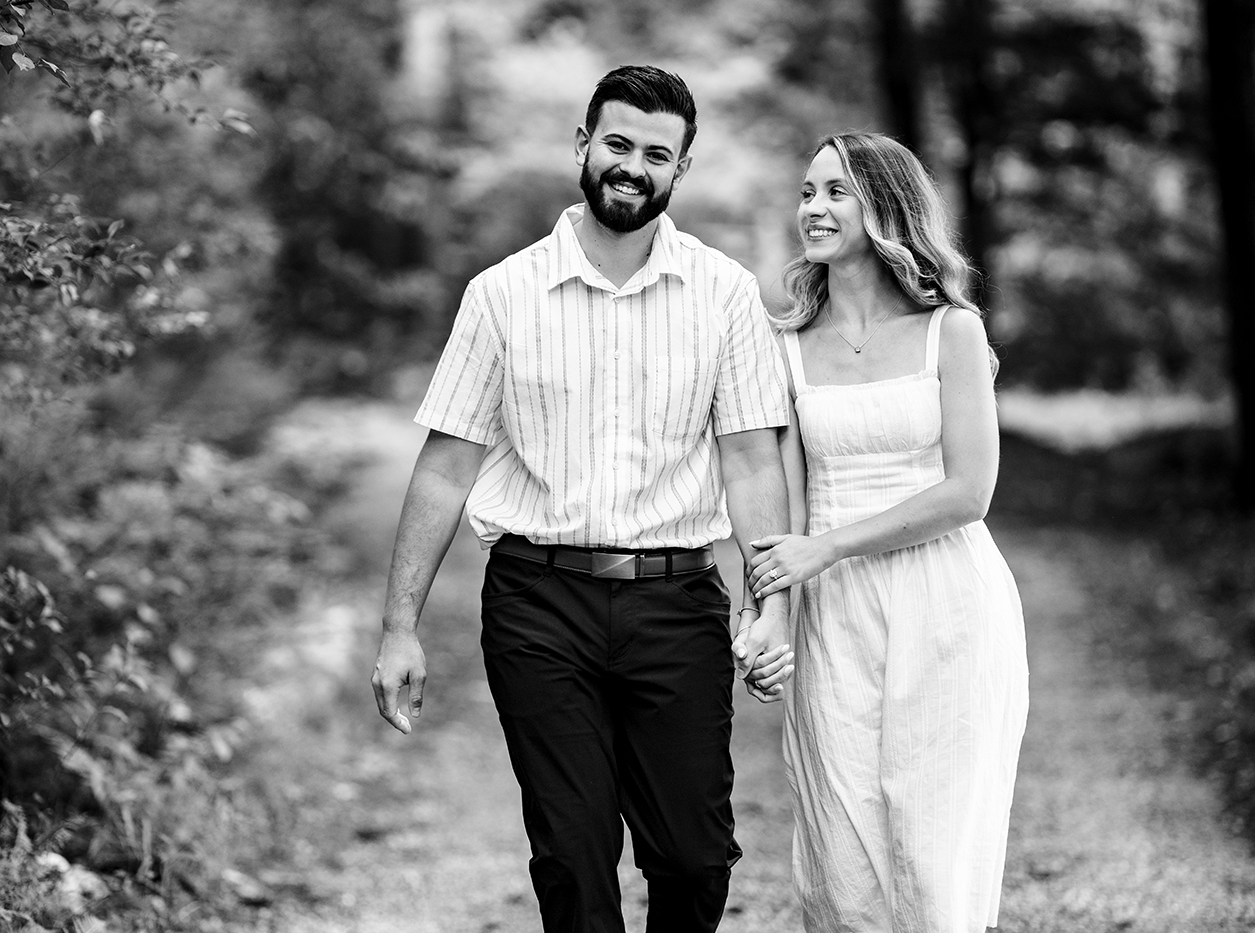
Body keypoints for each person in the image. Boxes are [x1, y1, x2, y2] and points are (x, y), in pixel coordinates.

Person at [370, 65, 797, 933]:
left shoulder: (724, 295)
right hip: (538, 602)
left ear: (680, 168)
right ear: (583, 145)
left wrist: (770, 601)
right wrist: (399, 625)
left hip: (676, 600)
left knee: (693, 853)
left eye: (655, 153)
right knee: (571, 852)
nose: (632, 166)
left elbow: (753, 462)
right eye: (617, 144)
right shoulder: (501, 294)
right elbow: (447, 465)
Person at [743, 132, 1029, 933]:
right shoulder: (786, 348)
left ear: (887, 205)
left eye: (836, 191)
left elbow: (970, 491)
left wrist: (828, 547)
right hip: (836, 619)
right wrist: (768, 618)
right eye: (806, 192)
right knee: (843, 864)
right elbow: (789, 510)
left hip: (949, 604)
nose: (813, 207)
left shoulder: (954, 332)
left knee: (935, 858)